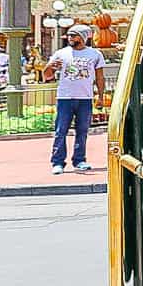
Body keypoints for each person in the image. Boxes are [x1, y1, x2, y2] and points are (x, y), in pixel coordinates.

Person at [44, 25, 105, 175]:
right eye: (69, 35)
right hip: (65, 97)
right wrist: (50, 67)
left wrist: (101, 97)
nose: (70, 38)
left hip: (85, 98)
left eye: (74, 35)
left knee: (82, 131)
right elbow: (47, 76)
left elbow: (99, 77)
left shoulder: (95, 54)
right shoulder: (61, 53)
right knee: (61, 130)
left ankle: (79, 160)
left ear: (83, 37)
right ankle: (58, 162)